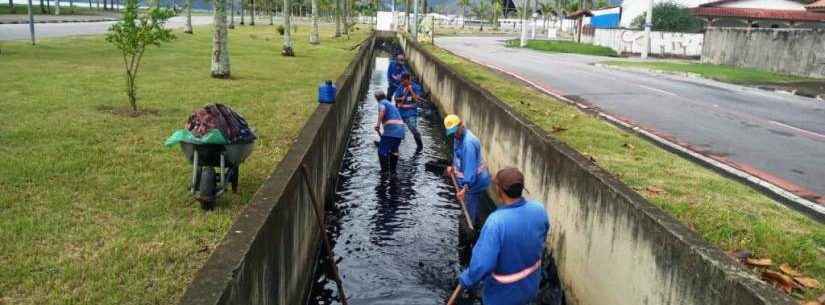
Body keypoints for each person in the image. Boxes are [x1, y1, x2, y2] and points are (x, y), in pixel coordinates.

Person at [448, 167, 550, 305]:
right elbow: (541, 237)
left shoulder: (496, 222)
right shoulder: (539, 209)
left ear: (500, 190)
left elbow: (482, 265)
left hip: (503, 296)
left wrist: (466, 279)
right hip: (531, 286)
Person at [444, 114, 491, 226]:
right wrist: (452, 167)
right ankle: (474, 219)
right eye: (452, 133)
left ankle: (470, 230)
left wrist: (464, 189)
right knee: (471, 204)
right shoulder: (458, 137)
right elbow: (457, 156)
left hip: (474, 181)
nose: (454, 135)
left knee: (469, 209)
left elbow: (469, 171)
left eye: (455, 131)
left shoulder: (468, 144)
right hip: (471, 179)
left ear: (461, 125)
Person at [374, 90, 405, 172]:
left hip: (391, 131)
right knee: (394, 150)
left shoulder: (382, 103)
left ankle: (384, 171)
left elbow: (382, 111)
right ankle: (393, 171)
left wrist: (378, 125)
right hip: (400, 131)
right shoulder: (390, 104)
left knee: (381, 150)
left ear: (376, 98)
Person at [393, 73, 424, 151]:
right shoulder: (400, 87)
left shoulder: (416, 87)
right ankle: (392, 145)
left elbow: (417, 100)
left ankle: (419, 146)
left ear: (408, 80)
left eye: (404, 82)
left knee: (413, 129)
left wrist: (410, 90)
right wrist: (401, 99)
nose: (403, 83)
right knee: (396, 129)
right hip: (400, 112)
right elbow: (396, 98)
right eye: (402, 81)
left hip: (411, 113)